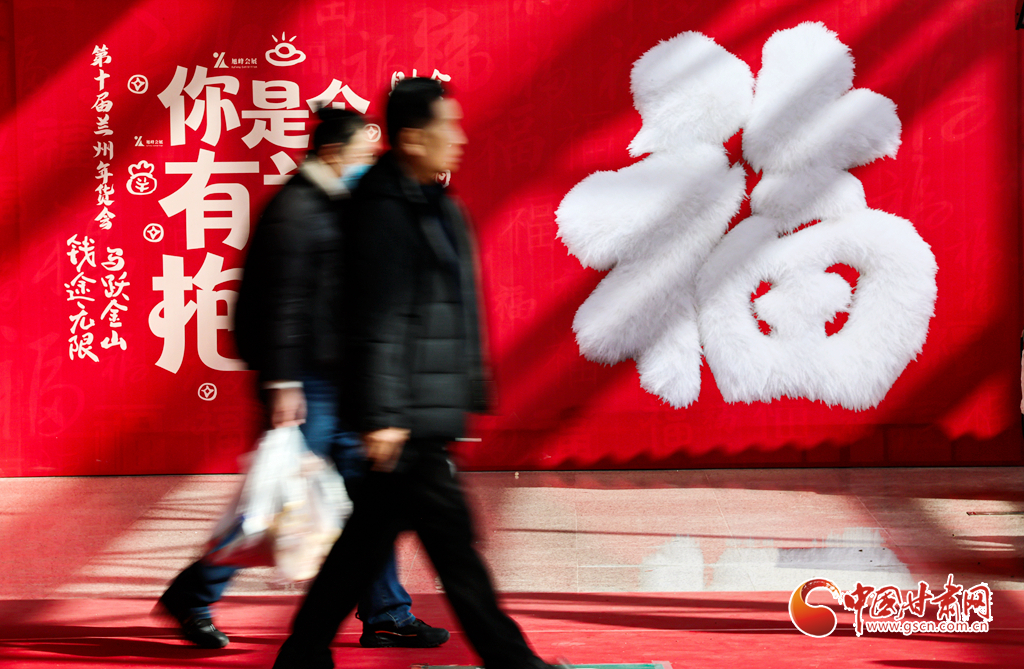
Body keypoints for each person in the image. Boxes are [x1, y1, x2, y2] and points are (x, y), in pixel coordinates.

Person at [273, 78, 557, 669]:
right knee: (453, 551)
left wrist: (462, 391)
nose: (460, 137)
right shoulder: (381, 212)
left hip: (420, 410)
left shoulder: (433, 204)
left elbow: (450, 309)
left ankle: (302, 653)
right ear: (410, 138)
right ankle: (512, 662)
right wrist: (383, 416)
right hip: (404, 419)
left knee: (364, 547)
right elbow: (378, 320)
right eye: (446, 126)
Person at [156, 108, 449, 651]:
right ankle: (192, 595)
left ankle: (387, 614)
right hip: (307, 386)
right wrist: (283, 383)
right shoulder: (296, 208)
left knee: (368, 501)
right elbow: (282, 305)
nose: (368, 164)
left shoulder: (333, 201)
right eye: (362, 155)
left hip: (338, 383)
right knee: (274, 500)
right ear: (334, 153)